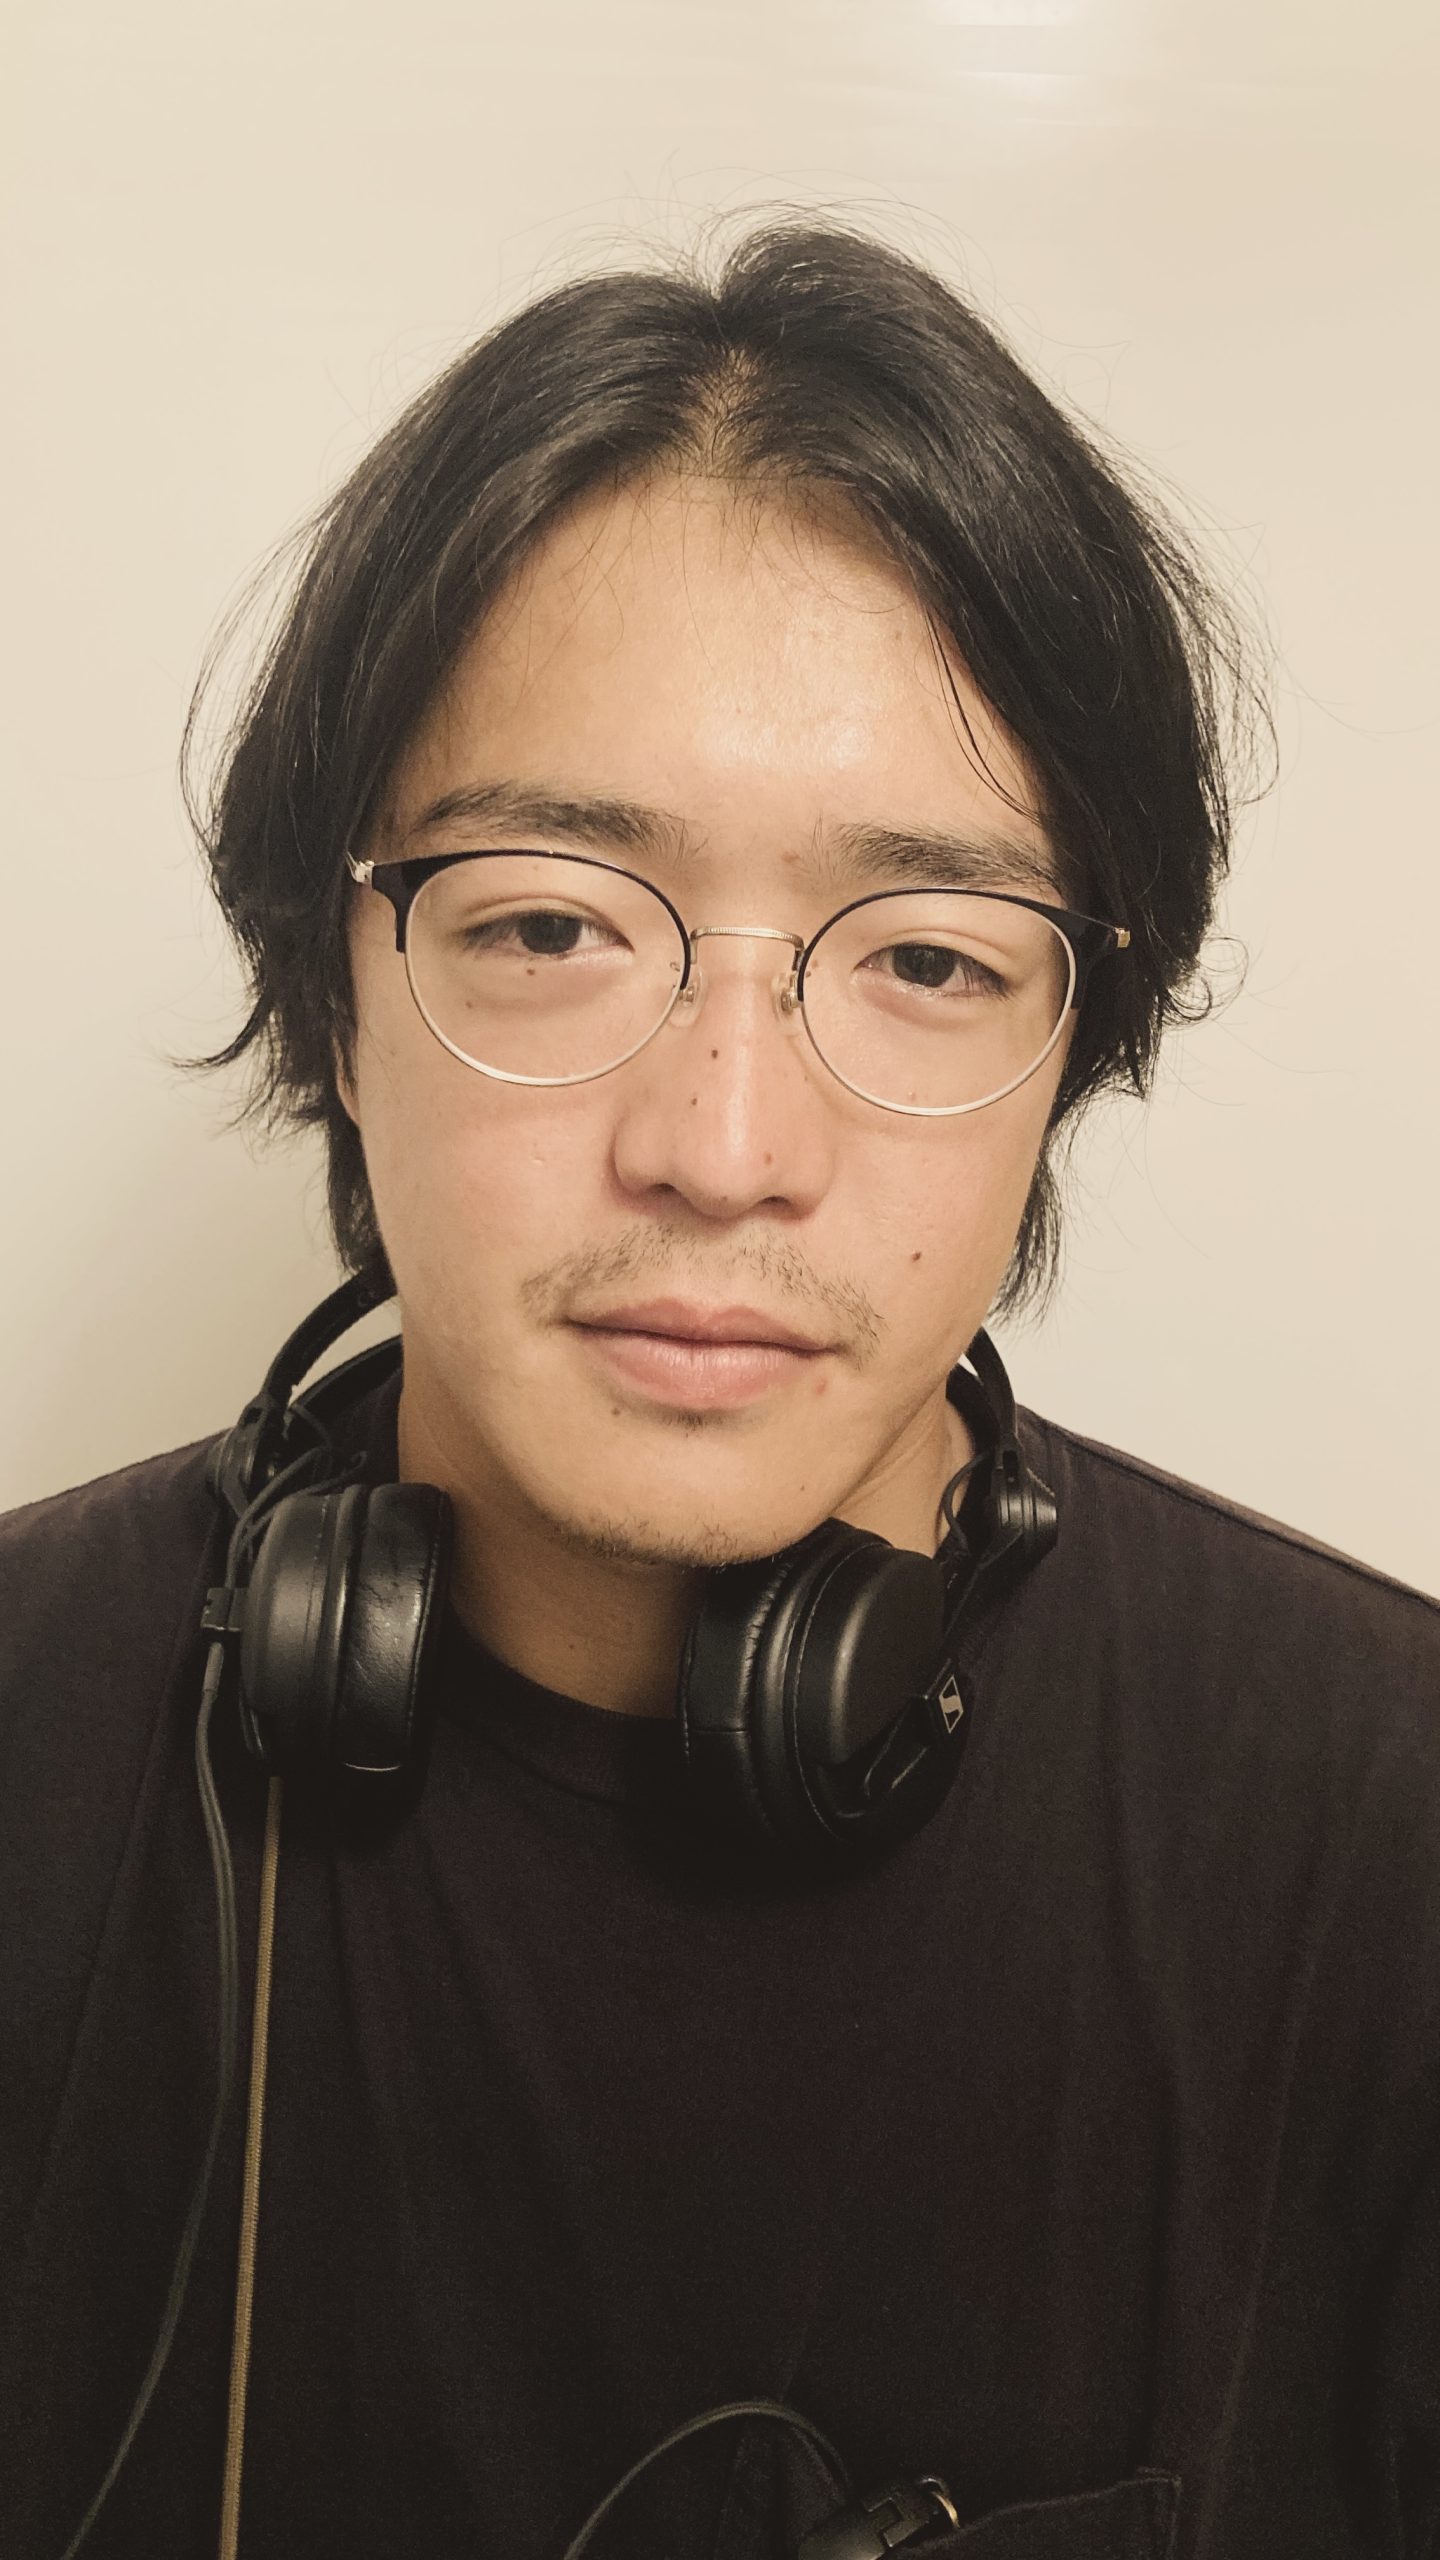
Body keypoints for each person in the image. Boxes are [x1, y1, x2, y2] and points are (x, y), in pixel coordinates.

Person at [1, 213, 1435, 2560]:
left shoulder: (1385, 1847)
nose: (727, 1142)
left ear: (1071, 1044)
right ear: (334, 988)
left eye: (929, 958)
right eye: (552, 922)